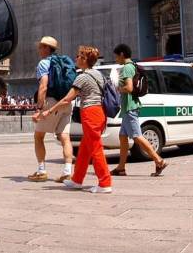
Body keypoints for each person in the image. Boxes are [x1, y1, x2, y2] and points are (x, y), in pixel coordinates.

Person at [36, 45, 112, 193]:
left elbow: (67, 99)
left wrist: (49, 111)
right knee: (85, 148)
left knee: (96, 149)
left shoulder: (82, 77)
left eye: (78, 56)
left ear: (84, 59)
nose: (75, 58)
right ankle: (77, 179)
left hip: (90, 113)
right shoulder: (98, 74)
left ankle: (105, 182)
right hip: (99, 112)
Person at [110, 43, 167, 177]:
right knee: (123, 137)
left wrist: (118, 88)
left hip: (130, 107)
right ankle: (121, 167)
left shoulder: (126, 69)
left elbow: (129, 88)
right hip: (129, 108)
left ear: (122, 54)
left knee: (137, 136)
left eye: (116, 56)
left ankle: (159, 160)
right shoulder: (133, 66)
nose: (116, 59)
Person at [29, 36, 73, 183]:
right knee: (65, 137)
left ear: (47, 48)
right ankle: (67, 171)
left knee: (38, 136)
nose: (39, 49)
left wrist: (39, 108)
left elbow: (43, 86)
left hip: (52, 102)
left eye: (41, 47)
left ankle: (41, 171)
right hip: (66, 102)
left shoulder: (44, 63)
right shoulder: (64, 61)